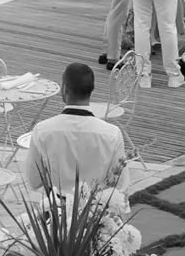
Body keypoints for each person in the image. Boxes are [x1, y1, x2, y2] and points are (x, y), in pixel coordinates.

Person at [22, 62, 128, 196]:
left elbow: (33, 181)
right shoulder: (112, 133)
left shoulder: (43, 130)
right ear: (92, 90)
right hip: (95, 206)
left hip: (56, 207)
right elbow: (120, 184)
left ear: (65, 89)